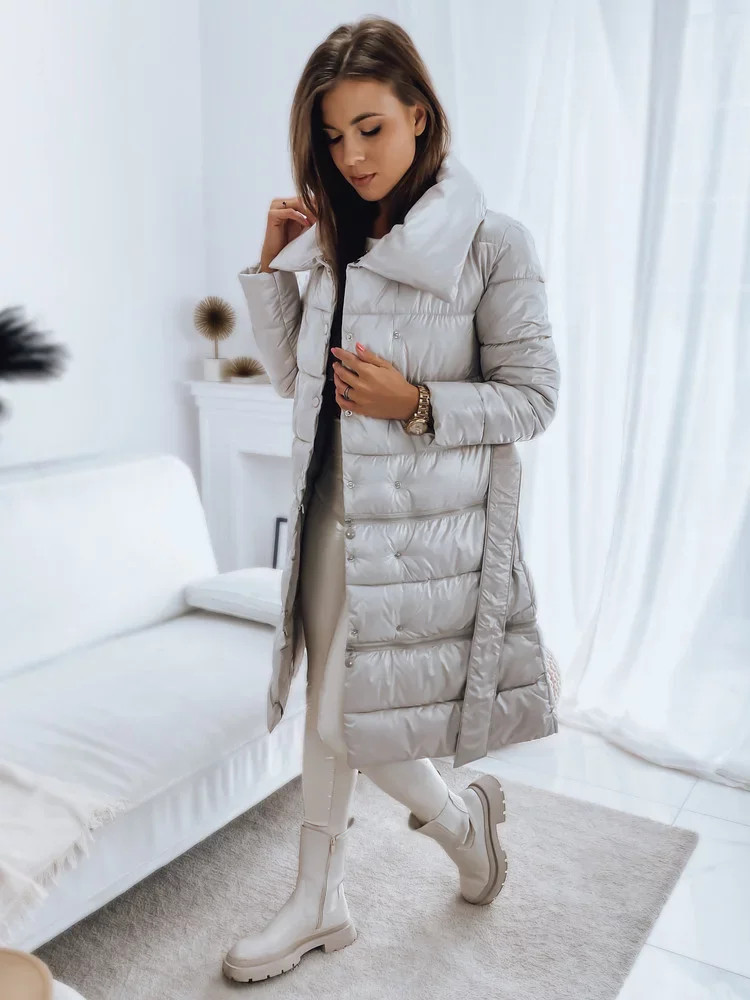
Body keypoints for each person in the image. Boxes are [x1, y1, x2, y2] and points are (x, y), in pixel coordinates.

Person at [224, 15, 561, 983]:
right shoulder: (339, 239)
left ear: (420, 113)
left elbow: (535, 399)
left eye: (370, 128)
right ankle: (319, 900)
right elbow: (293, 379)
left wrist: (414, 403)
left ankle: (461, 826)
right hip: (328, 512)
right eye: (333, 136)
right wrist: (273, 267)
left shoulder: (493, 244)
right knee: (331, 711)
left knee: (353, 723)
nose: (352, 156)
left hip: (422, 534)